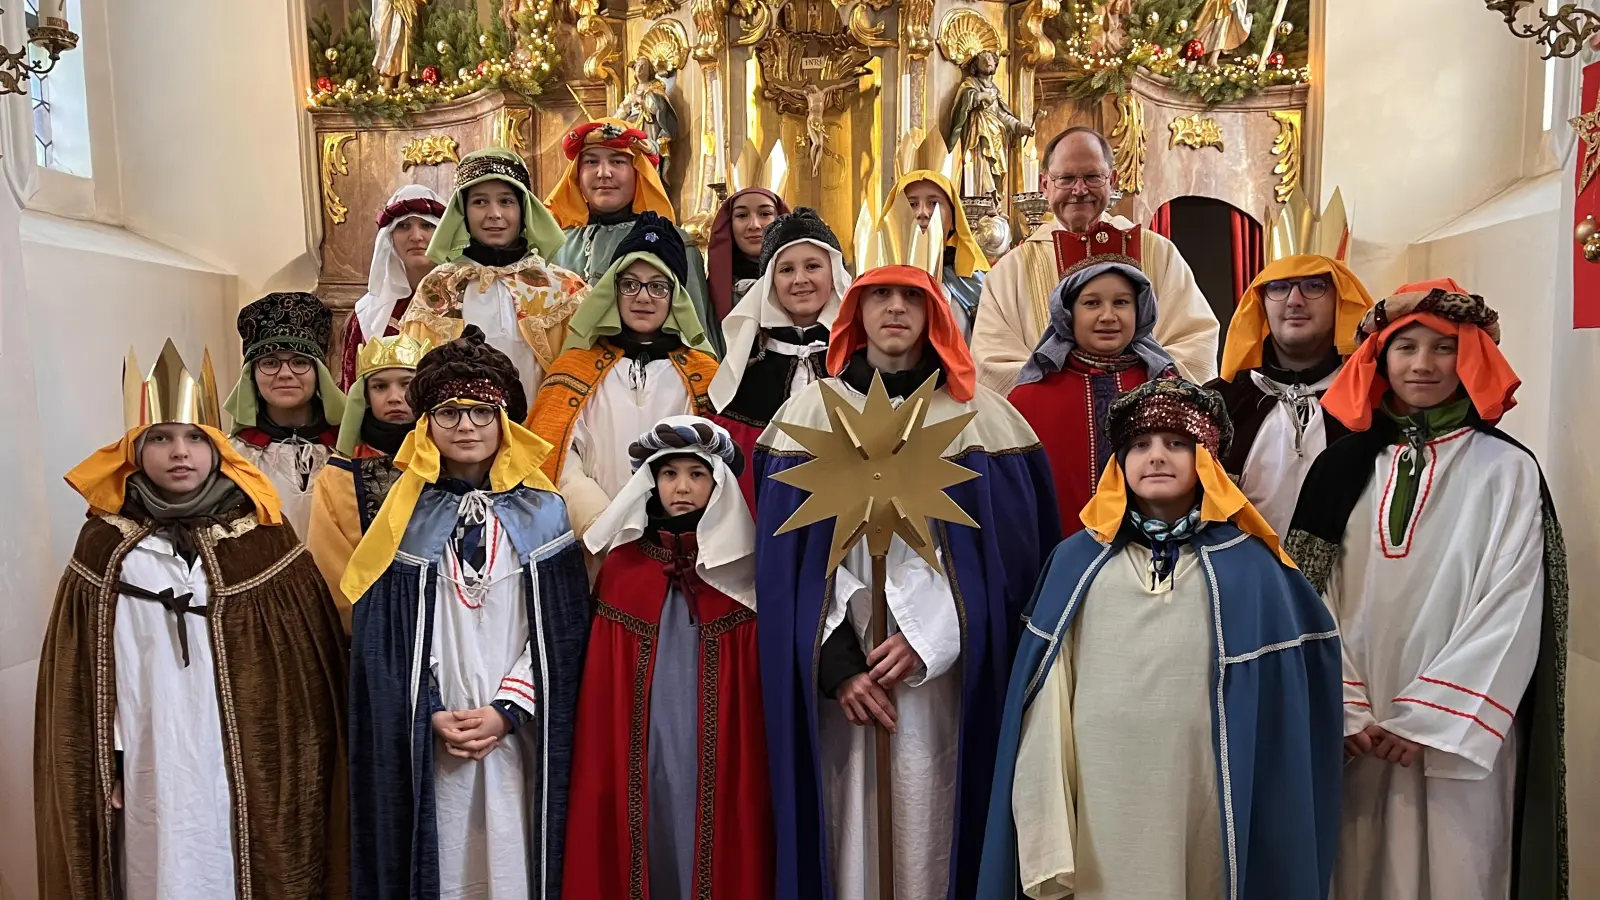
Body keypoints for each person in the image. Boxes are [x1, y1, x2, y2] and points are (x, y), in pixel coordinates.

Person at [755, 264, 1060, 900]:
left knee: (934, 811)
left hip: (943, 676)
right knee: (845, 821)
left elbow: (1014, 564)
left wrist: (932, 634)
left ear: (936, 316)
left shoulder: (986, 423)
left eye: (911, 299)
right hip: (845, 674)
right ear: (855, 313)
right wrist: (837, 665)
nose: (895, 310)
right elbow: (784, 565)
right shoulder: (805, 417)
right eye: (879, 298)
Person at [975, 376, 1342, 900]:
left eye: (1177, 443)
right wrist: (1046, 826)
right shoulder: (1077, 560)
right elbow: (1046, 699)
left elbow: (1291, 702)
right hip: (1103, 783)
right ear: (1118, 464)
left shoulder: (1252, 568)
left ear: (1207, 464)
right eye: (1140, 445)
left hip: (1204, 785)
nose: (1157, 457)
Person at [1285, 280, 1568, 900]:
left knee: (1459, 866)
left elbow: (1513, 602)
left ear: (1472, 357)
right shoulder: (1339, 467)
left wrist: (1429, 719)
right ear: (1378, 359)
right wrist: (1345, 705)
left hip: (1458, 734)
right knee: (1351, 865)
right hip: (1356, 725)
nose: (1421, 364)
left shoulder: (1507, 470)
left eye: (1443, 348)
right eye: (1404, 346)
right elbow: (1306, 594)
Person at [37, 340, 348, 900]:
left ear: (218, 448)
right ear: (134, 450)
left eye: (194, 439)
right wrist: (102, 760)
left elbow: (308, 682)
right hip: (148, 761)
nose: (178, 453)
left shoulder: (263, 538)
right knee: (157, 868)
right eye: (159, 438)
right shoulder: (104, 546)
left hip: (245, 765)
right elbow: (81, 679)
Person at [344, 326, 591, 900]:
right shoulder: (400, 516)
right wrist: (429, 709)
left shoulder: (545, 512)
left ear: (504, 422)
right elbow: (385, 639)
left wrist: (509, 708)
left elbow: (561, 633)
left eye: (482, 413)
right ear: (426, 425)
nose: (467, 427)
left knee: (514, 864)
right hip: (435, 733)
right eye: (450, 414)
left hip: (517, 735)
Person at [565, 417, 772, 900]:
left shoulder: (743, 570)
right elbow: (603, 692)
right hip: (641, 753)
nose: (682, 487)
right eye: (669, 474)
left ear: (717, 483)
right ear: (651, 482)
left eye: (697, 475)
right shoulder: (622, 568)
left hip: (717, 752)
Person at [973, 126, 1219, 392]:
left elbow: (1196, 341)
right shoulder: (1011, 270)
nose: (1079, 190)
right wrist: (1070, 392)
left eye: (1092, 177)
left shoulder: (1157, 252)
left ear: (1111, 180)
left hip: (1147, 420)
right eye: (1066, 179)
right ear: (1045, 184)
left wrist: (1126, 385)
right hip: (1047, 424)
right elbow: (991, 362)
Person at [528, 212, 720, 538]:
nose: (643, 297)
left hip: (678, 539)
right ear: (611, 291)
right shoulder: (574, 366)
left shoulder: (705, 376)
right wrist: (599, 521)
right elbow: (554, 455)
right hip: (591, 537)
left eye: (658, 286)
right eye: (630, 284)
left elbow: (716, 465)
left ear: (676, 296)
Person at [1204, 254, 1375, 536]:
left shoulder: (1377, 402)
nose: (1294, 300)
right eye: (1279, 288)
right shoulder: (1217, 403)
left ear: (1341, 301)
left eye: (1314, 285)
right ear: (1261, 302)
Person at [401, 148, 589, 404]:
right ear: (462, 212)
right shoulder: (437, 287)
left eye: (506, 201)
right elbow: (414, 378)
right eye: (479, 202)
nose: (495, 214)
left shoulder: (563, 288)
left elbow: (584, 379)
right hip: (460, 435)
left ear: (525, 210)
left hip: (543, 436)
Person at [1007, 259, 1177, 526]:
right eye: (1092, 303)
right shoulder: (1028, 400)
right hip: (1058, 557)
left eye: (1121, 302)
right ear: (1068, 313)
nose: (1108, 316)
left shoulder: (1168, 392)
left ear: (1140, 311)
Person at [708, 208, 849, 508]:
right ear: (770, 282)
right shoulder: (746, 374)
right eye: (786, 270)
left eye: (812, 266)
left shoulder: (856, 362)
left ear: (834, 274)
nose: (800, 279)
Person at [545, 118, 719, 353]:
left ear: (639, 171)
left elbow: (696, 335)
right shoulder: (556, 247)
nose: (603, 173)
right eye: (591, 162)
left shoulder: (672, 243)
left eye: (617, 161)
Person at [307, 333, 428, 630]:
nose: (395, 397)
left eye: (407, 383)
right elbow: (331, 569)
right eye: (380, 386)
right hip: (368, 630)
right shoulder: (339, 476)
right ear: (363, 395)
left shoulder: (450, 466)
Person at [223, 291, 346, 539]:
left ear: (319, 373)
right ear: (252, 376)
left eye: (300, 362)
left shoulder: (348, 452)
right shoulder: (232, 458)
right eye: (270, 362)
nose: (285, 373)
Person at [339, 184, 445, 388]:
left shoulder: (468, 300)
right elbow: (353, 390)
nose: (416, 236)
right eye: (404, 226)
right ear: (390, 238)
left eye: (427, 225)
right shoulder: (368, 314)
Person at [882, 169, 990, 342]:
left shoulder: (973, 283)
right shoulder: (876, 273)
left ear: (954, 218)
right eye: (912, 204)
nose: (923, 213)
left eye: (934, 203)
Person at [707, 186, 790, 324]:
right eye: (741, 215)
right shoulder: (708, 295)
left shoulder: (803, 283)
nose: (754, 225)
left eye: (765, 214)